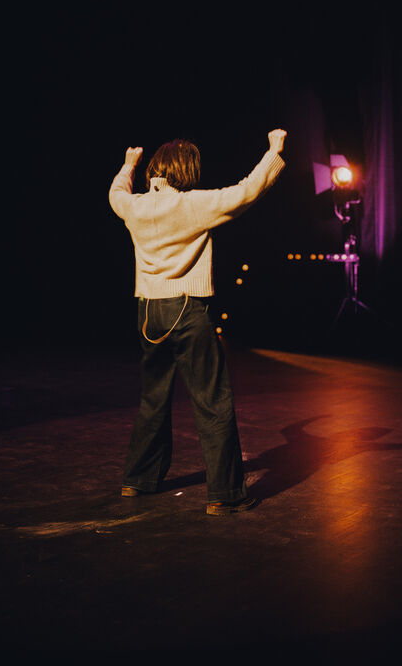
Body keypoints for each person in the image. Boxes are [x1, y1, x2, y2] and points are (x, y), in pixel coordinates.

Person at [109, 129, 286, 515]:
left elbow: (116, 195)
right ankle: (225, 494)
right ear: (187, 170)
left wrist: (128, 166)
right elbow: (247, 191)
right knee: (212, 400)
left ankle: (137, 480)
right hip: (187, 309)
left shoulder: (135, 206)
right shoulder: (192, 205)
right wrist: (274, 151)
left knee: (153, 398)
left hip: (148, 313)